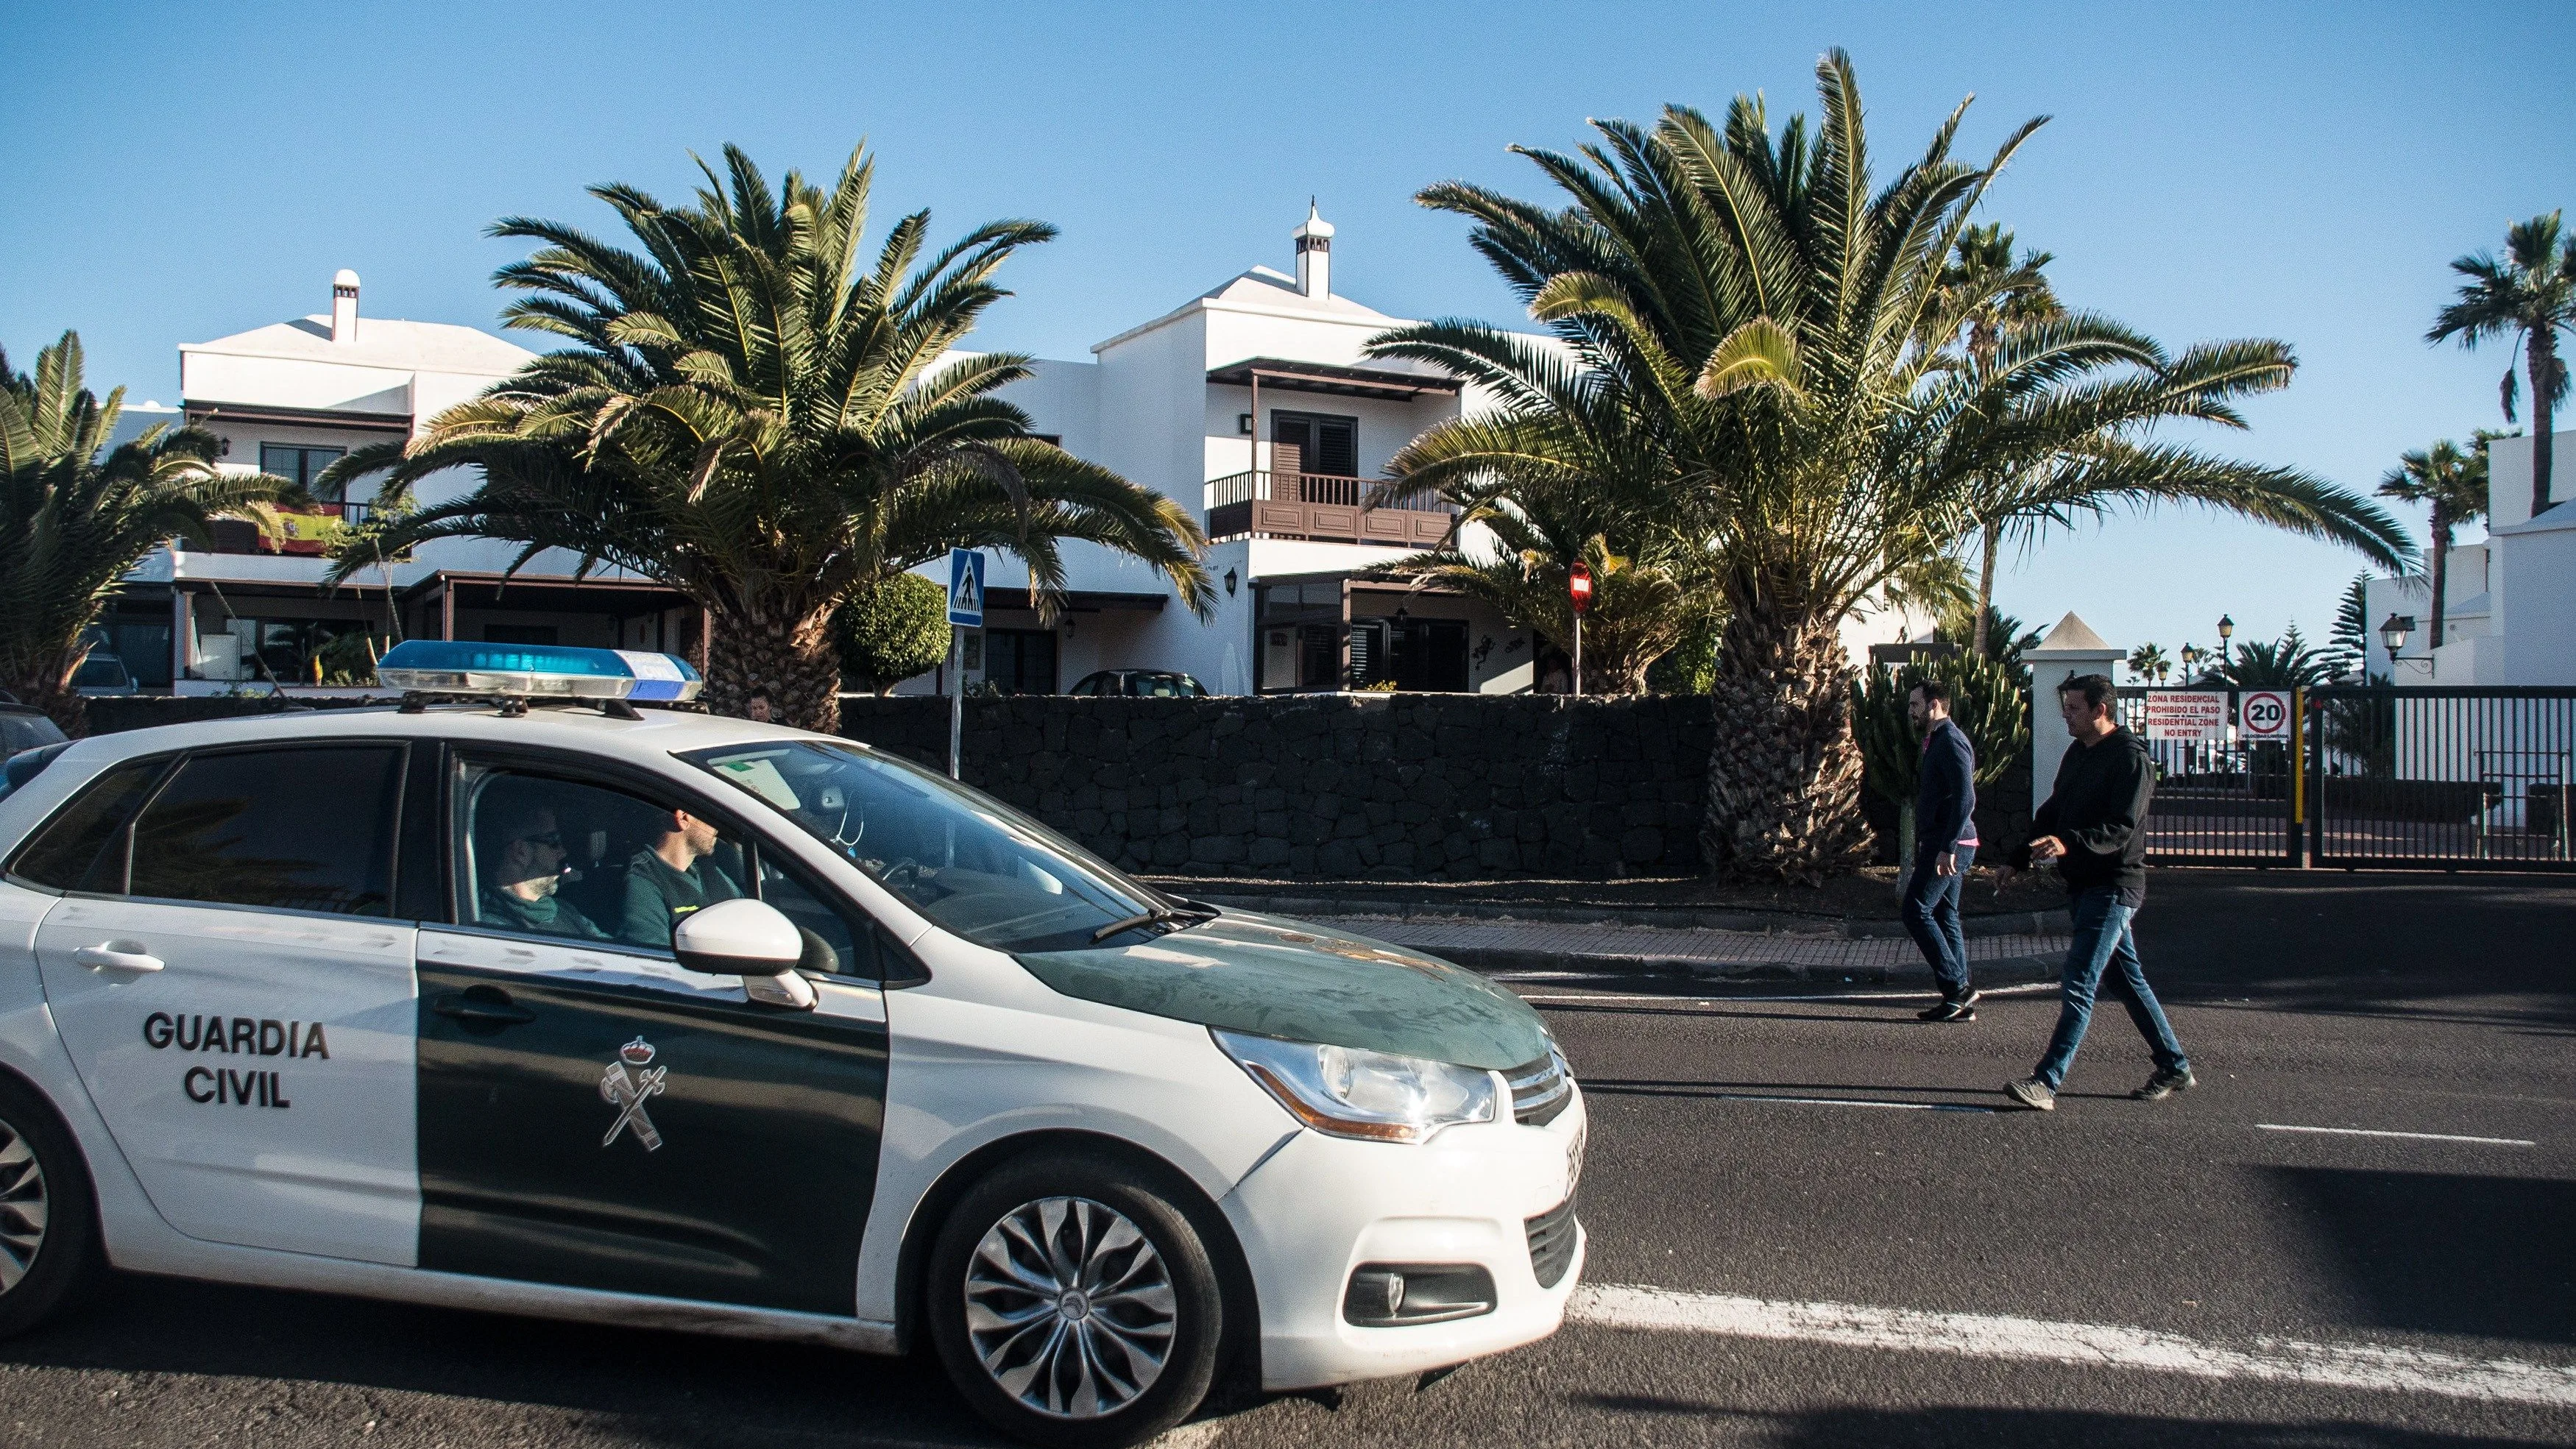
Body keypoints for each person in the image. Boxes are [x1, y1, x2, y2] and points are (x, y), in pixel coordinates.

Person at [1998, 673, 2193, 1110]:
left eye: (2074, 710)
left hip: (2114, 886)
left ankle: (2046, 1082)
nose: (2066, 716)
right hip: (2083, 884)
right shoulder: (2079, 753)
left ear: (2100, 711)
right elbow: (2053, 809)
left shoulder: (2130, 759)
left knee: (2079, 979)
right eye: (2065, 708)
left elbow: (2122, 828)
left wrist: (2071, 843)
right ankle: (2174, 1064)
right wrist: (2017, 857)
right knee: (2127, 980)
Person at [1903, 679, 1981, 1022]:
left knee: (1915, 909)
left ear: (1934, 705)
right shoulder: (1935, 740)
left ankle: (1957, 987)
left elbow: (1966, 797)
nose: (1911, 712)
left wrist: (1947, 847)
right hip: (1945, 842)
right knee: (1945, 914)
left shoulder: (1951, 741)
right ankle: (1958, 998)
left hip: (1950, 844)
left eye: (1916, 706)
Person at [477, 798, 612, 940]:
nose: (563, 852)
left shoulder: (564, 911)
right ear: (520, 851)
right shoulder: (491, 929)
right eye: (554, 840)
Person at [620, 804, 743, 946]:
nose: (717, 827)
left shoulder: (714, 875)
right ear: (684, 818)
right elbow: (654, 957)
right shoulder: (642, 883)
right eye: (711, 815)